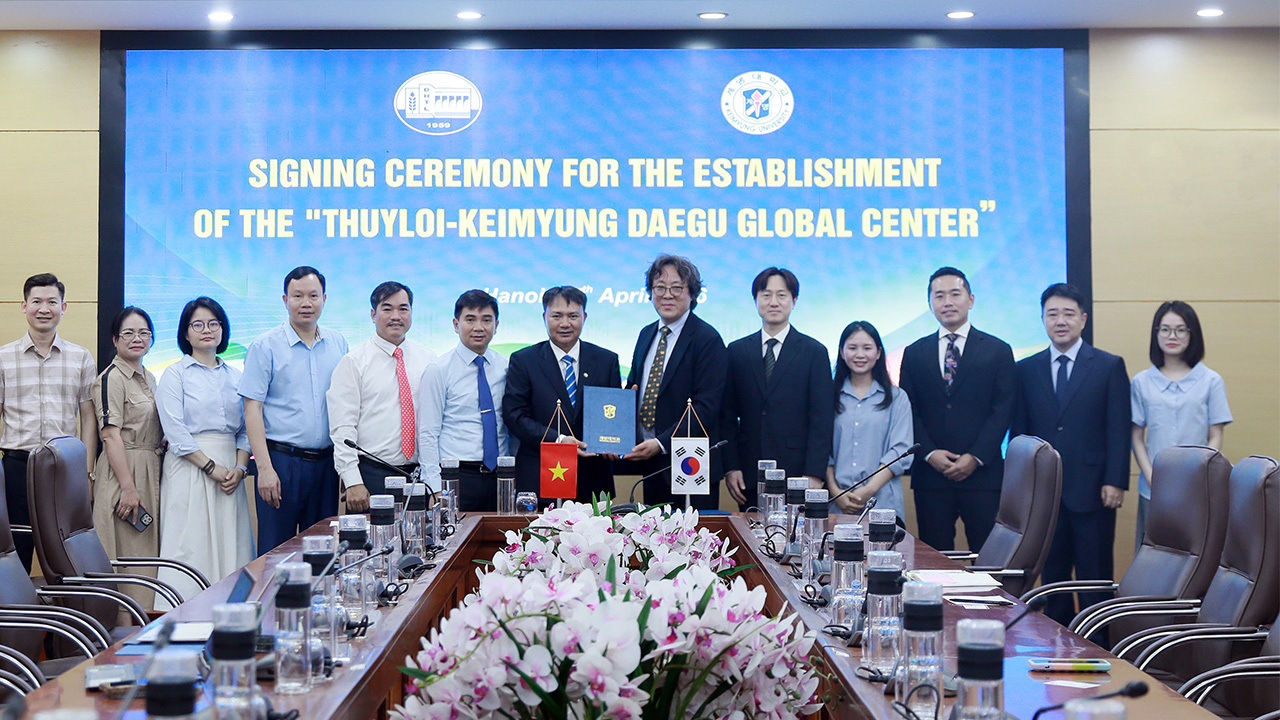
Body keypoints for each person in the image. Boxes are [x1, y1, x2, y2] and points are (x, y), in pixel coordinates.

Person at [1013, 283, 1130, 626]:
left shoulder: (1108, 365)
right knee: (1054, 578)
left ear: (1083, 319)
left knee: (1095, 577)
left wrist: (1115, 481)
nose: (1060, 321)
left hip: (1094, 489)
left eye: (1068, 314)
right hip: (1045, 494)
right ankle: (1058, 643)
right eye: (1052, 314)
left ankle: (1101, 645)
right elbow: (1021, 433)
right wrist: (1024, 486)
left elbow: (1119, 428)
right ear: (1043, 320)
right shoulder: (1027, 369)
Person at [898, 266, 1016, 552]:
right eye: (939, 296)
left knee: (988, 557)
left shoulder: (998, 350)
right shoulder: (914, 352)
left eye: (955, 294)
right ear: (930, 304)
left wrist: (975, 456)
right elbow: (908, 410)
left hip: (983, 475)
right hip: (931, 477)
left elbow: (1003, 409)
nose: (947, 302)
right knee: (933, 558)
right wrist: (929, 453)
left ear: (971, 300)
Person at [239, 266, 349, 555]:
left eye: (313, 295)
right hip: (281, 463)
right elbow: (252, 409)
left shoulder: (338, 344)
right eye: (298, 296)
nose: (306, 303)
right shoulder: (265, 346)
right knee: (276, 554)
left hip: (326, 465)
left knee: (323, 553)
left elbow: (346, 405)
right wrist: (264, 469)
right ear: (285, 300)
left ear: (324, 299)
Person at [156, 297, 254, 601]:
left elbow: (246, 428)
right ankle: (184, 613)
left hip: (230, 471)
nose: (207, 330)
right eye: (197, 325)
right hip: (190, 465)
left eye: (214, 323)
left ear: (223, 329)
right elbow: (175, 431)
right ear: (186, 333)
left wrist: (240, 468)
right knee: (191, 542)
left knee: (231, 542)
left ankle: (233, 612)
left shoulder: (236, 376)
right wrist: (210, 468)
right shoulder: (175, 374)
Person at [0, 273, 97, 572]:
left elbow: (88, 417)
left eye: (52, 302)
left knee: (66, 551)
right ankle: (18, 603)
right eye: (37, 302)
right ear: (24, 306)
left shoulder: (81, 357)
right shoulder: (3, 358)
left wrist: (87, 472)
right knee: (16, 550)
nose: (44, 309)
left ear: (63, 307)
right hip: (16, 467)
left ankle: (65, 604)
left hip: (63, 469)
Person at [721, 268, 833, 510]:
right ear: (755, 300)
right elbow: (727, 416)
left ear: (794, 300)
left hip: (798, 474)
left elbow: (821, 419)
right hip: (749, 474)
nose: (773, 302)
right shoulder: (737, 351)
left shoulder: (814, 352)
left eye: (781, 295)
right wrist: (731, 467)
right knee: (751, 532)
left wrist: (814, 472)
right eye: (766, 295)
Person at [623, 255, 727, 510]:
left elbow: (706, 407)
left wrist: (661, 443)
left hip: (690, 464)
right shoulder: (646, 334)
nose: (667, 295)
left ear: (692, 293)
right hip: (651, 465)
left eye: (677, 288)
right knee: (652, 533)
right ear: (650, 293)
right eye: (659, 287)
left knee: (691, 535)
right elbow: (635, 387)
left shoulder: (707, 338)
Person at [503, 286, 623, 503]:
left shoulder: (606, 360)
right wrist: (558, 440)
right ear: (545, 317)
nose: (565, 323)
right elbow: (515, 416)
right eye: (557, 316)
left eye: (573, 316)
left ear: (584, 317)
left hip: (592, 479)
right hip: (541, 477)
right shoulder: (524, 360)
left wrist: (615, 441)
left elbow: (611, 415)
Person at [1130, 301, 1231, 551]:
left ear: (1192, 334)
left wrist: (1199, 476)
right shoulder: (1142, 382)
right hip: (1152, 488)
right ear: (1156, 334)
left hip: (1197, 488)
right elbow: (1136, 437)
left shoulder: (1211, 380)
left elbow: (1216, 434)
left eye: (1181, 329)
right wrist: (1152, 477)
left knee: (1196, 556)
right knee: (1152, 556)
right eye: (1165, 329)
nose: (1172, 336)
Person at [327, 282, 436, 510]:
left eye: (403, 309)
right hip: (372, 475)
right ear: (373, 314)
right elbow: (342, 427)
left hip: (420, 476)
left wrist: (434, 483)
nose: (396, 316)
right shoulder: (354, 362)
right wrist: (352, 480)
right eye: (387, 309)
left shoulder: (429, 359)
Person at [90, 306, 164, 609]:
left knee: (147, 558)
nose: (137, 338)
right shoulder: (111, 378)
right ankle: (123, 629)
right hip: (124, 473)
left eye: (144, 333)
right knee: (126, 560)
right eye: (129, 333)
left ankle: (144, 625)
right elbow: (110, 435)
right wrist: (128, 488)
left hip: (150, 468)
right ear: (115, 339)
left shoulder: (149, 377)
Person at [417, 290, 509, 511]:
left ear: (496, 325)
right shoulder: (439, 369)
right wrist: (434, 486)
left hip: (501, 476)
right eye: (470, 319)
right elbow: (428, 432)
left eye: (486, 320)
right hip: (457, 477)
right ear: (456, 324)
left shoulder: (507, 367)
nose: (479, 327)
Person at [827, 321, 914, 520]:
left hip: (883, 504)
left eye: (867, 348)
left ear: (878, 352)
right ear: (842, 353)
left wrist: (868, 490)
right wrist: (835, 492)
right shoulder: (828, 396)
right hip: (837, 506)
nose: (860, 355)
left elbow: (900, 450)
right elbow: (821, 449)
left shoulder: (897, 398)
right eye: (852, 348)